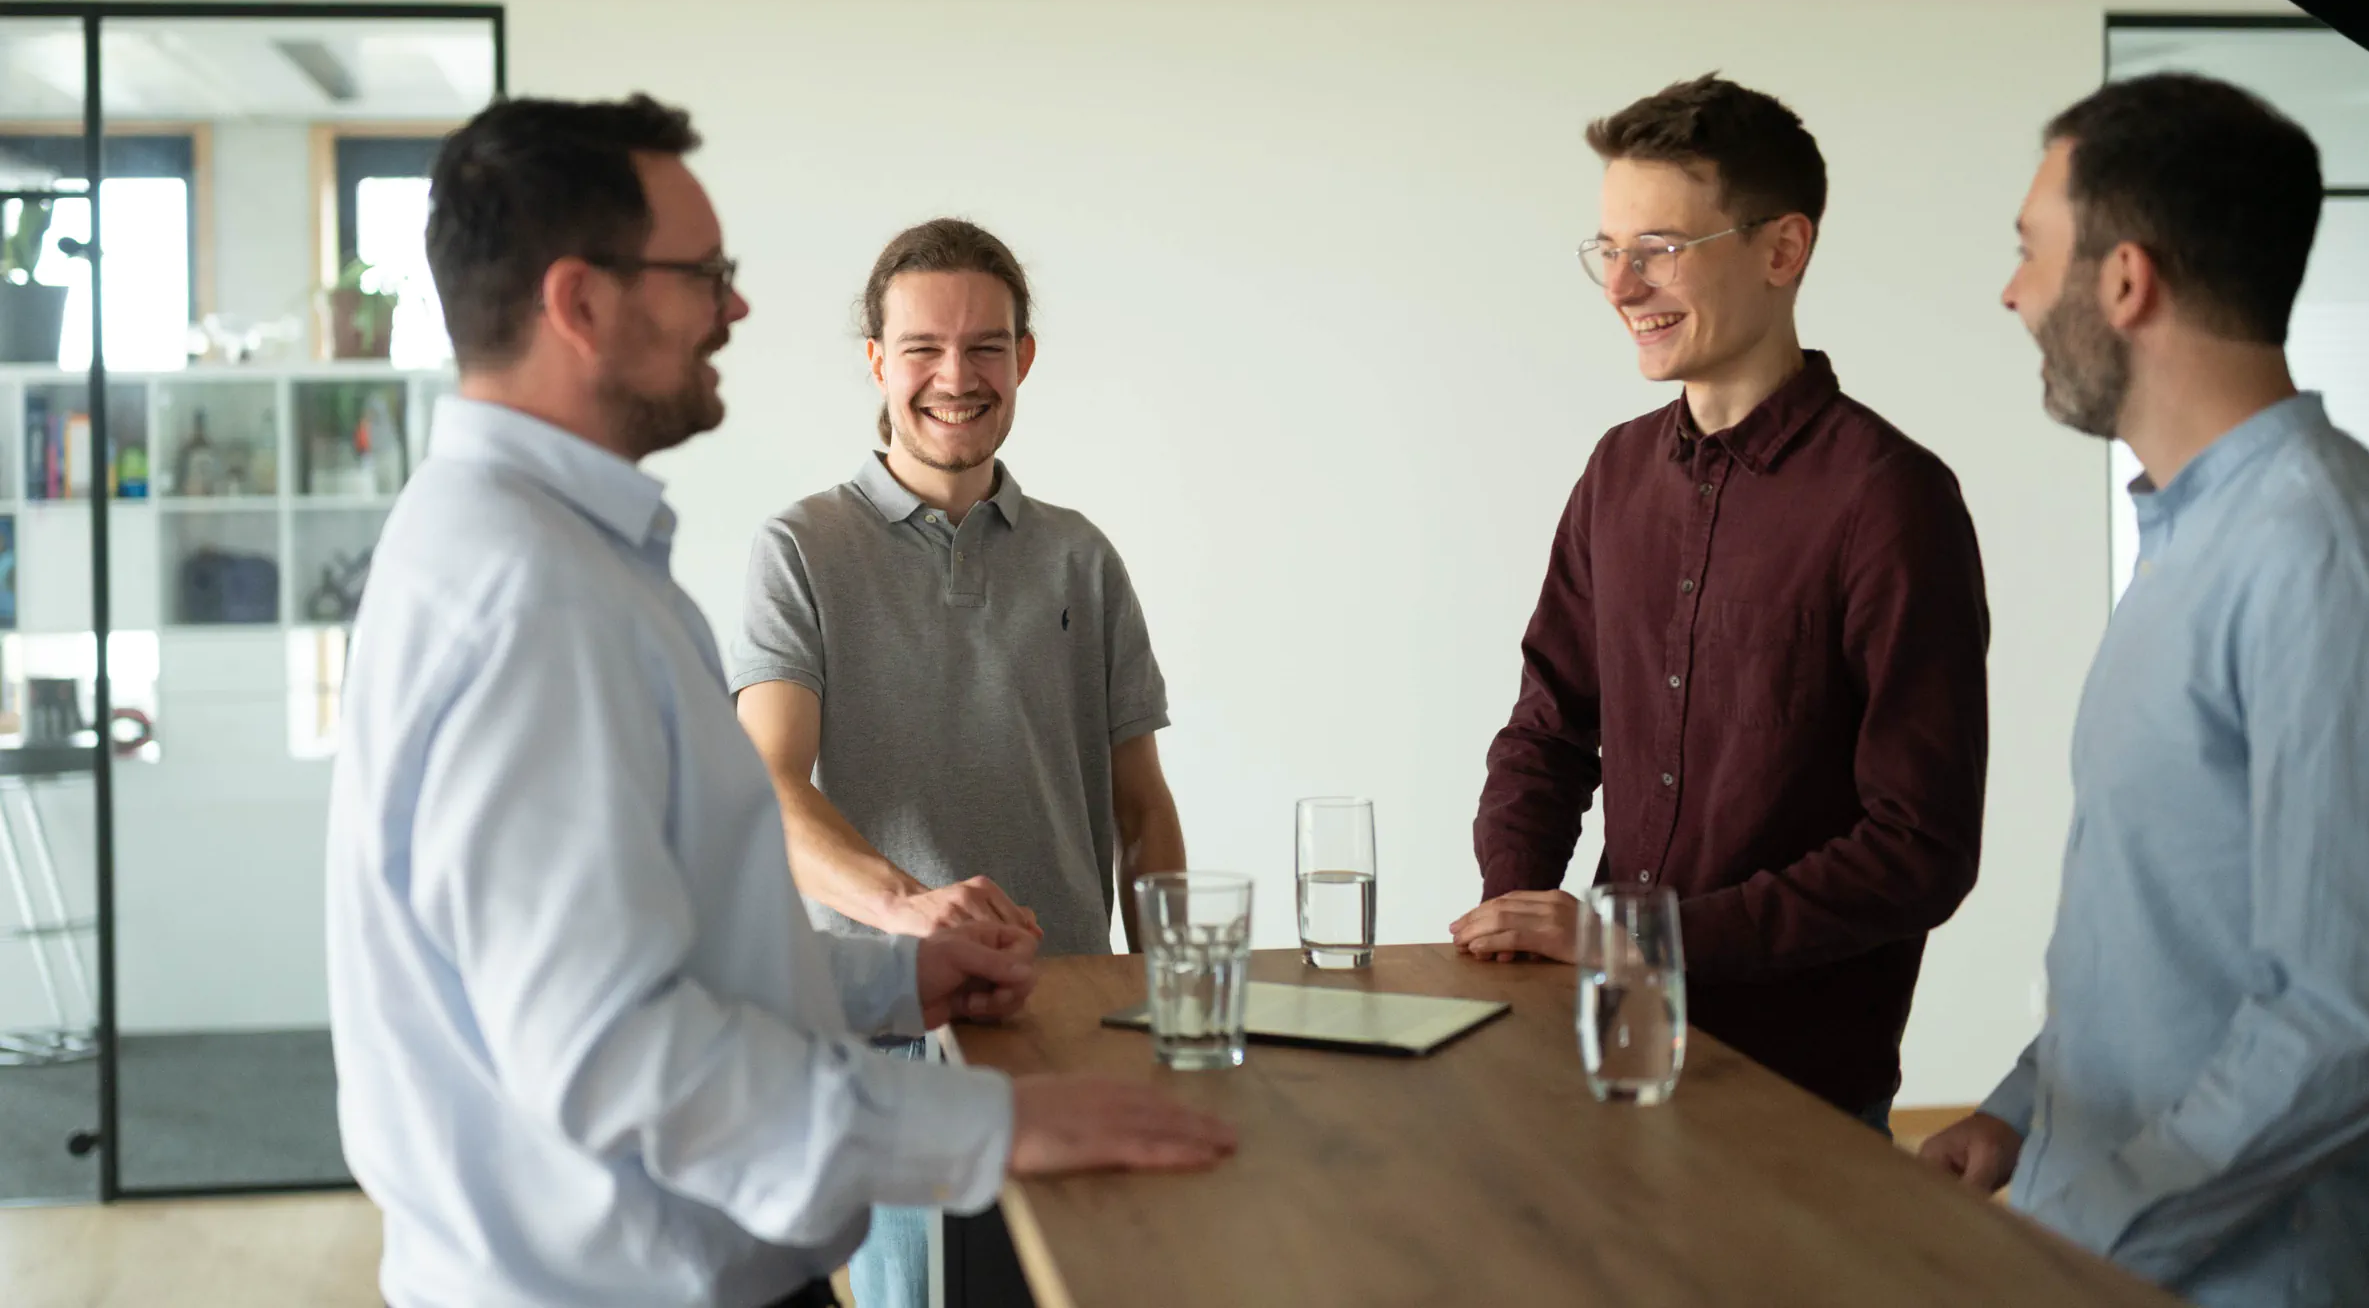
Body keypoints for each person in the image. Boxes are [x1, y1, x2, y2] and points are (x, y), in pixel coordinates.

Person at [325, 96, 1234, 1308]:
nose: (735, 307)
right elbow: (616, 1057)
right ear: (580, 303)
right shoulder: (532, 601)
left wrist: (894, 981)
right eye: (704, 273)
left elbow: (669, 957)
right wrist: (984, 1125)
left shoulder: (552, 560)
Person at [1921, 74, 2369, 1304]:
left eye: (2031, 251)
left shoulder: (2322, 557)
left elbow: (2349, 1014)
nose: (2014, 293)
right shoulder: (2193, 543)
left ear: (2125, 280)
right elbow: (2172, 923)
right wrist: (2029, 1113)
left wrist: (2079, 1232)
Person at [1451, 74, 1990, 1128]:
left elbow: (1918, 848)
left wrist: (1640, 941)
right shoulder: (1613, 474)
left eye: (1659, 247)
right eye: (1607, 249)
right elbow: (1547, 732)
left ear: (1781, 250)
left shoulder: (1891, 500)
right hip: (1600, 1054)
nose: (1621, 285)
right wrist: (1518, 914)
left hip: (1799, 1100)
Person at [733, 217, 1188, 1308]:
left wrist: (1165, 994)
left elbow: (1140, 809)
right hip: (892, 1038)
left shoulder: (1081, 552)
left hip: (1070, 1019)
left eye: (986, 346)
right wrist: (912, 912)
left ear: (1023, 359)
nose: (956, 375)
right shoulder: (799, 549)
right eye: (924, 347)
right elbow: (770, 788)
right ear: (877, 360)